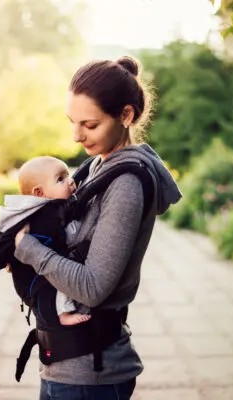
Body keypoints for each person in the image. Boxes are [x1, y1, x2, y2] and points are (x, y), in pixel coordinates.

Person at [13, 55, 182, 400]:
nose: (76, 136)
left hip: (90, 375)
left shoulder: (126, 184)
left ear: (126, 115)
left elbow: (92, 287)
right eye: (72, 122)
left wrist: (28, 248)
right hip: (67, 365)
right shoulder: (93, 168)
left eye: (89, 125)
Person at [0, 155, 91, 326]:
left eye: (68, 175)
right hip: (35, 281)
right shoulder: (42, 216)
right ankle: (63, 313)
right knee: (60, 279)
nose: (70, 181)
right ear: (39, 193)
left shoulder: (54, 207)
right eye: (61, 179)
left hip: (41, 267)